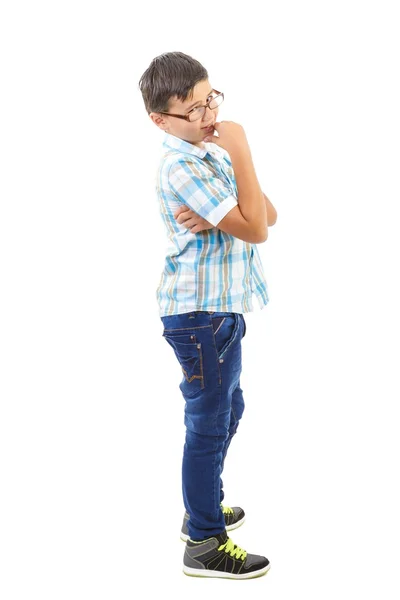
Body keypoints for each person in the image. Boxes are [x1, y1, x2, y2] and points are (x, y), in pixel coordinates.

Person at [138, 51, 277, 580]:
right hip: (199, 315)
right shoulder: (181, 163)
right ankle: (202, 540)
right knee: (208, 424)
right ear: (161, 119)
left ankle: (203, 505)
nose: (208, 115)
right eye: (193, 109)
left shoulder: (209, 156)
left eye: (210, 99)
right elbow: (257, 228)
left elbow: (267, 213)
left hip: (221, 311)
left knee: (228, 411)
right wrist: (241, 150)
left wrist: (235, 205)